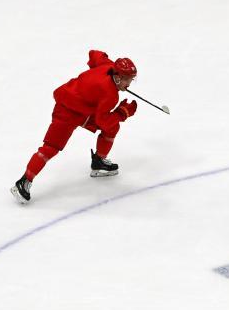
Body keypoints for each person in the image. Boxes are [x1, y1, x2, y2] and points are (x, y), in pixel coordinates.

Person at [10, 50, 139, 205]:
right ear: (118, 78)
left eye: (131, 80)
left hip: (83, 110)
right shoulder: (110, 95)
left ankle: (98, 161)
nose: (129, 84)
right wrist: (122, 113)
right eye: (127, 80)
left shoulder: (108, 65)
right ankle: (23, 182)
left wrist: (96, 70)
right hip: (66, 111)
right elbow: (103, 121)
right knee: (51, 147)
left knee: (112, 128)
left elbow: (94, 54)